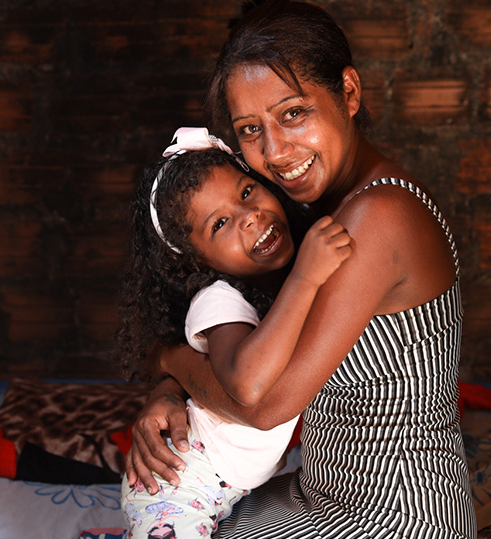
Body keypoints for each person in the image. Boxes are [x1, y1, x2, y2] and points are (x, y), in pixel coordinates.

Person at [125, 1, 477, 537]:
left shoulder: (378, 216)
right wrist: (167, 393)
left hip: (394, 515)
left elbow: (263, 404)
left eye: (293, 113)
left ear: (349, 93)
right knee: (178, 513)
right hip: (318, 488)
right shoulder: (306, 213)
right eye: (249, 129)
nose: (275, 150)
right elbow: (243, 341)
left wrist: (172, 359)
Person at [115, 127, 353, 539]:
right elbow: (247, 382)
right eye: (220, 223)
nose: (250, 217)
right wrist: (306, 278)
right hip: (175, 484)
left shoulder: (267, 286)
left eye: (246, 193)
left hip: (227, 489)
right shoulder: (219, 301)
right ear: (196, 260)